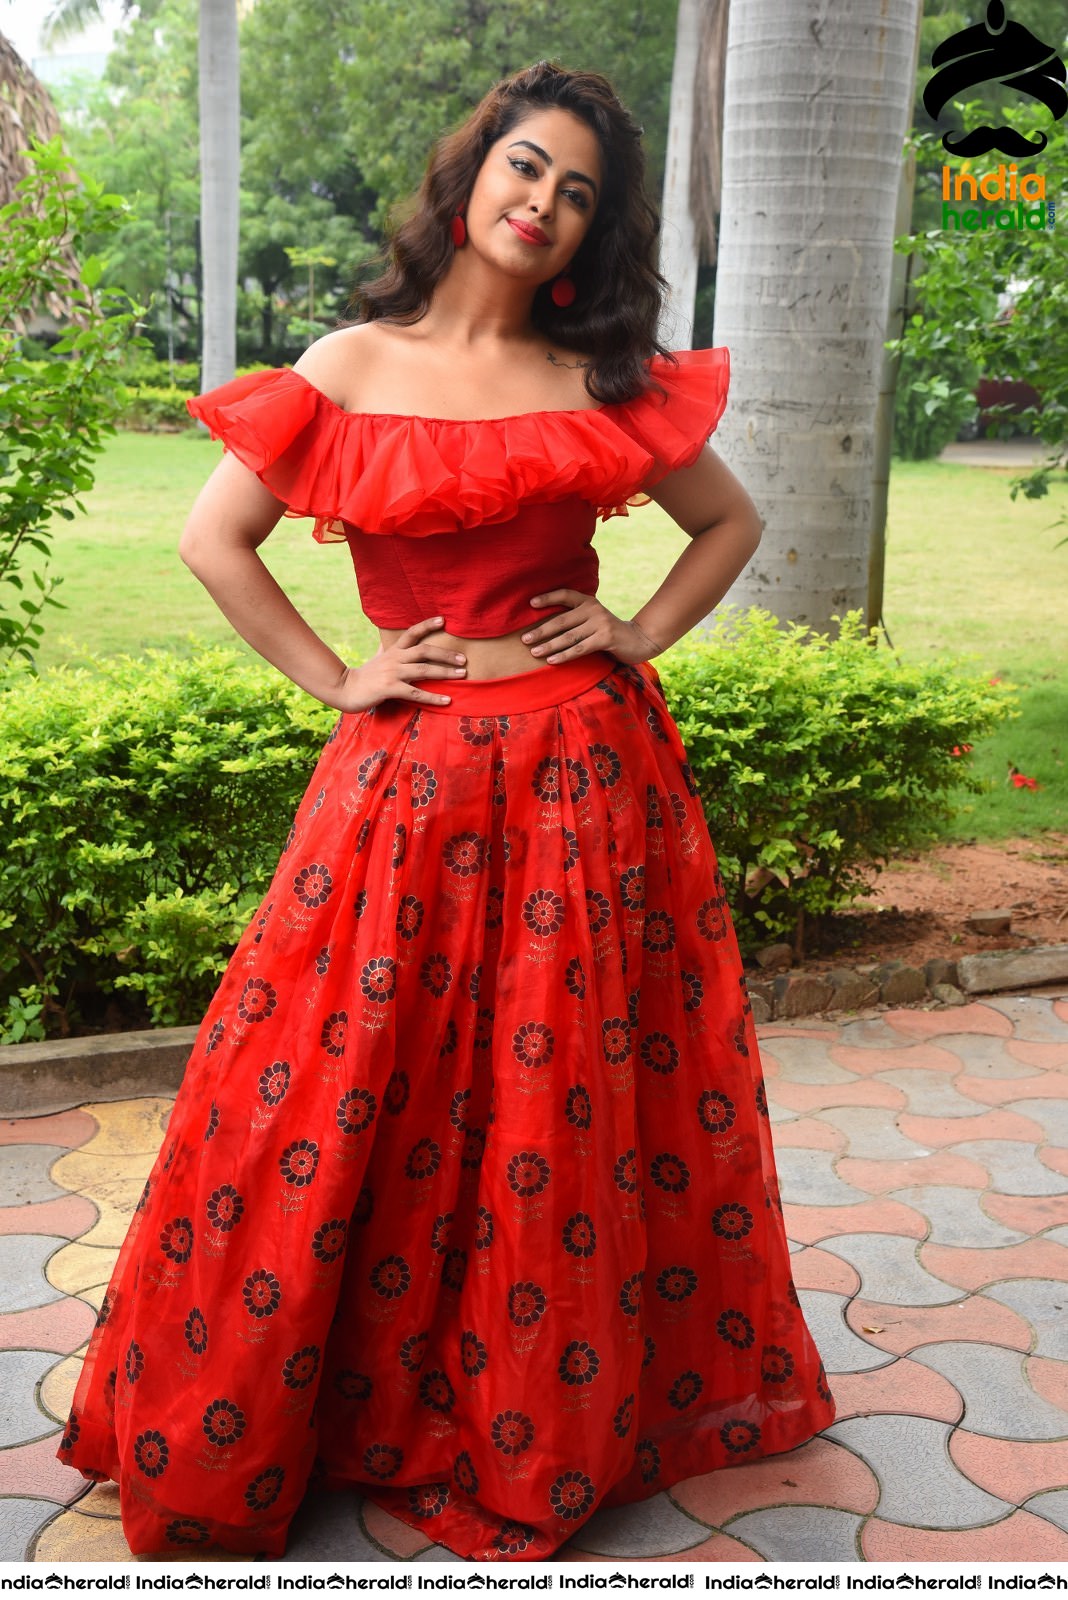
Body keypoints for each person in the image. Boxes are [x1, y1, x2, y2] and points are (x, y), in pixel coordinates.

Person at [57, 59, 835, 1563]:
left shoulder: (602, 374)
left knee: (565, 1097)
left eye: (580, 193)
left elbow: (730, 521)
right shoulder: (350, 363)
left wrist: (638, 633)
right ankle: (337, 1401)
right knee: (337, 1085)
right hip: (404, 783)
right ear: (473, 175)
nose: (544, 203)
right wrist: (339, 674)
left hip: (583, 780)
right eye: (526, 168)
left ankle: (535, 1401)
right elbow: (215, 542)